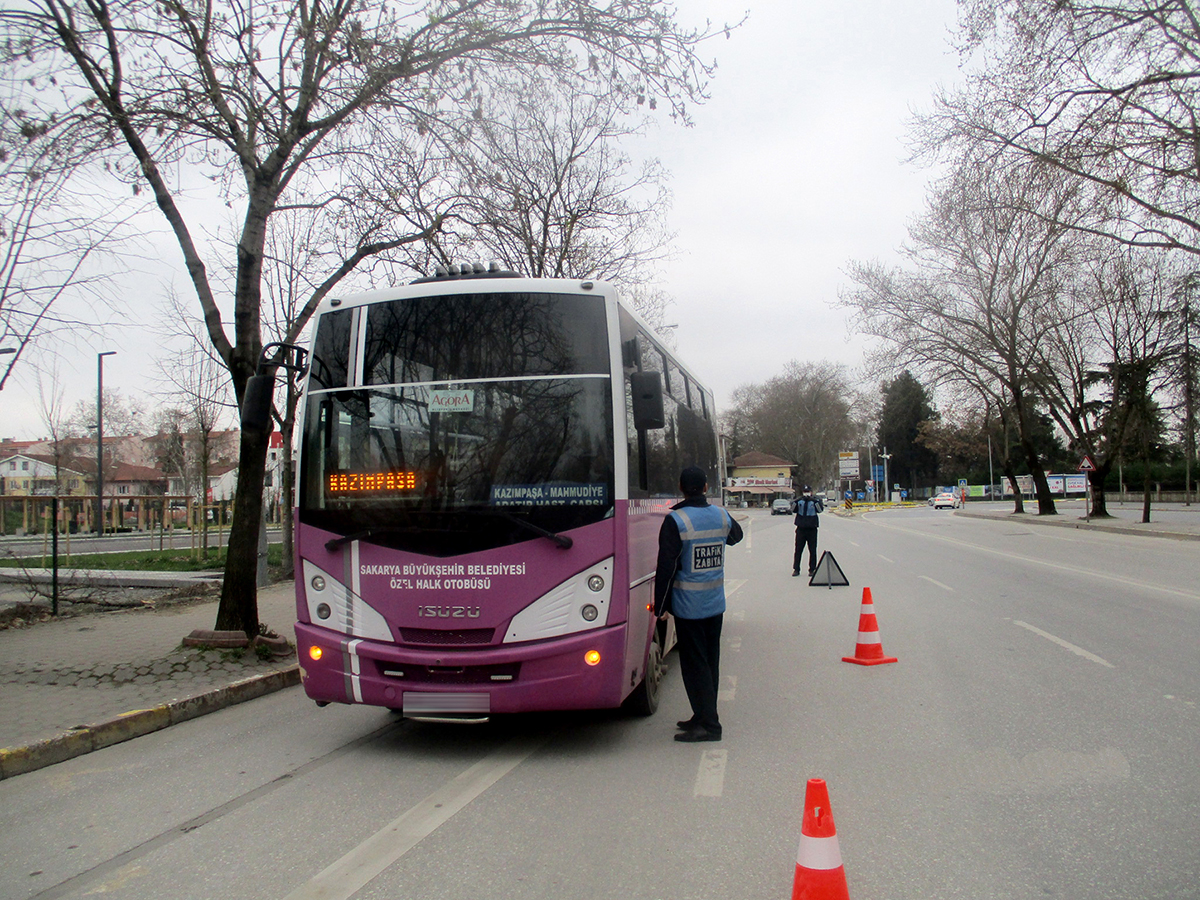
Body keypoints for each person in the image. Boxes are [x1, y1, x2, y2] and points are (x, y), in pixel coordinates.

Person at [653, 466, 743, 743]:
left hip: (689, 607)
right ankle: (702, 715)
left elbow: (666, 567)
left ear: (681, 487)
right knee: (710, 662)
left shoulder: (676, 520)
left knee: (695, 666)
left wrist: (660, 607)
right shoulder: (720, 515)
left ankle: (709, 725)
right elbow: (735, 537)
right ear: (705, 488)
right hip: (715, 603)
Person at [792, 485, 824, 578]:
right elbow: (793, 510)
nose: (806, 493)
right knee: (798, 550)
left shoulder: (815, 501)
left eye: (808, 491)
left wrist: (815, 502)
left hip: (812, 529)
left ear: (811, 492)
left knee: (812, 550)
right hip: (801, 529)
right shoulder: (799, 501)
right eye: (805, 491)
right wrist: (796, 501)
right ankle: (796, 569)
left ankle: (812, 569)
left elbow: (820, 510)